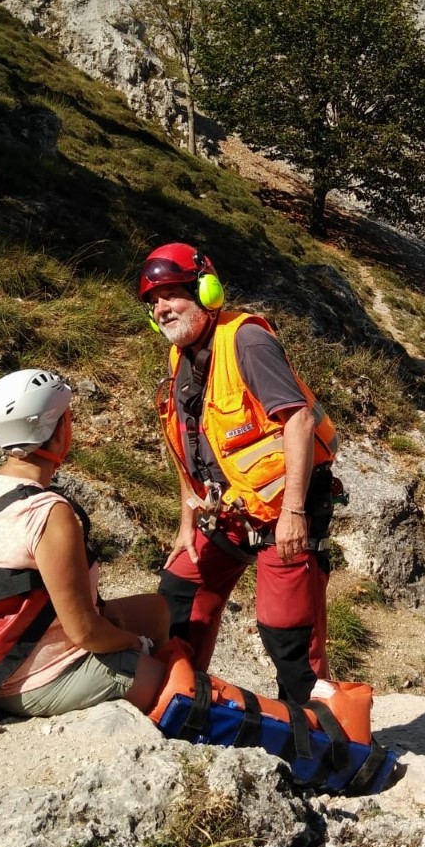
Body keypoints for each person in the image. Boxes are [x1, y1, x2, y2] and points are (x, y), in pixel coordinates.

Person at [137, 242, 339, 705]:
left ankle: (322, 737)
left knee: (285, 629)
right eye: (153, 302)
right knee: (180, 589)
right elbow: (187, 446)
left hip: (286, 507)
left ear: (205, 291)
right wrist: (187, 521)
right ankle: (184, 699)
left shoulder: (244, 339)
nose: (161, 308)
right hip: (231, 509)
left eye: (170, 294)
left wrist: (292, 513)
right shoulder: (182, 358)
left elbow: (299, 420)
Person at [0, 369, 170, 724]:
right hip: (29, 678)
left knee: (156, 610)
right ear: (57, 429)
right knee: (180, 688)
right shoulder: (49, 514)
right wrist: (133, 644)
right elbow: (85, 632)